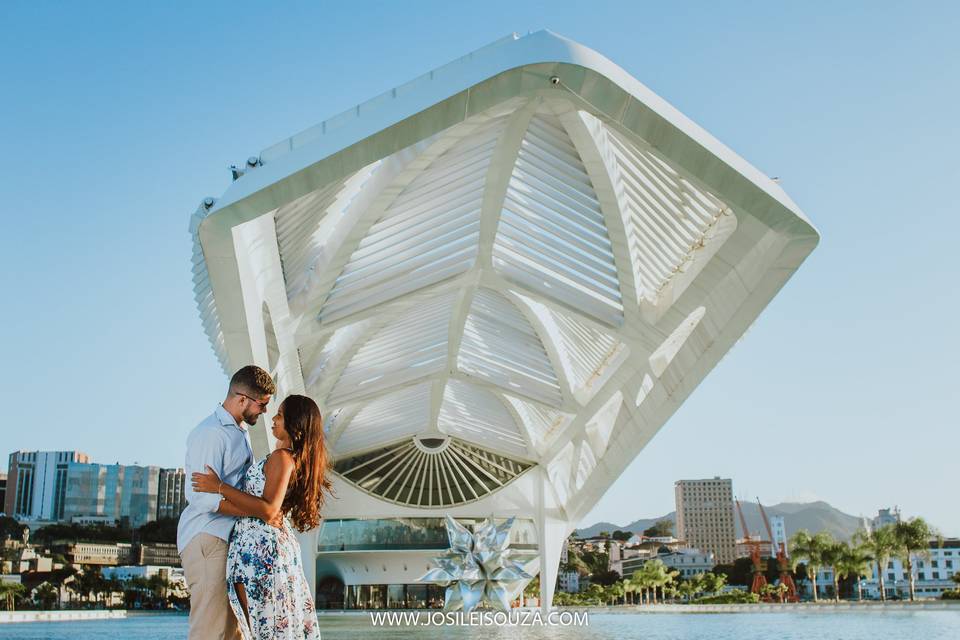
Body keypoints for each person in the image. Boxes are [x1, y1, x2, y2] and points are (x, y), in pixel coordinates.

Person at [192, 394, 333, 640]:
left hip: (262, 551)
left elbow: (268, 509)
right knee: (263, 629)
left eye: (280, 414)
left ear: (294, 423)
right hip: (259, 547)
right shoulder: (287, 458)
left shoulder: (282, 458)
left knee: (263, 630)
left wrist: (219, 487)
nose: (274, 419)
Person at [177, 365, 276, 640]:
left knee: (235, 632)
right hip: (208, 537)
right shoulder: (211, 433)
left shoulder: (237, 432)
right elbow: (201, 496)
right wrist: (259, 511)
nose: (265, 411)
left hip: (227, 539)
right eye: (262, 404)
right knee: (211, 628)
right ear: (242, 398)